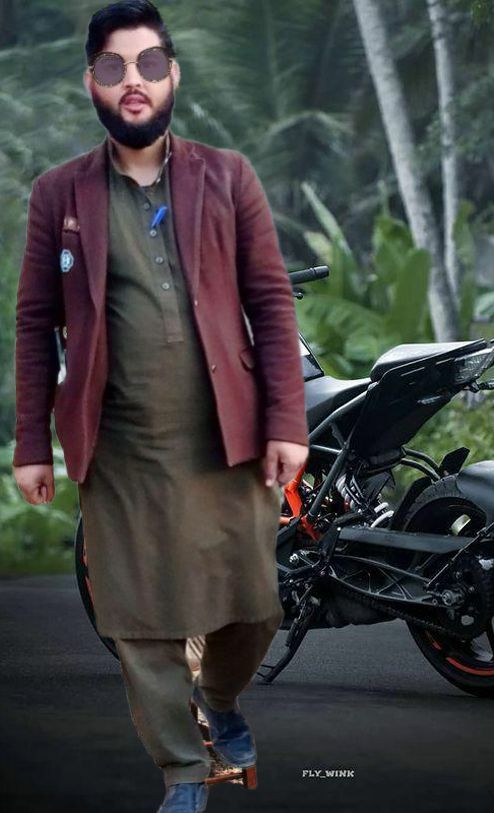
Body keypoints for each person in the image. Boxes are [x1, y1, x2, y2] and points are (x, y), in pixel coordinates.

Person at [11, 1, 309, 811]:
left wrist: (287, 422)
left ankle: (220, 695)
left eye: (148, 64)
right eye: (113, 67)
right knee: (139, 618)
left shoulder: (229, 175)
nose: (132, 81)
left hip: (227, 433)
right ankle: (182, 768)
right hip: (118, 443)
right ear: (92, 83)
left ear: (173, 75)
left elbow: (271, 301)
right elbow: (35, 322)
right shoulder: (58, 194)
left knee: (253, 605)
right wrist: (31, 441)